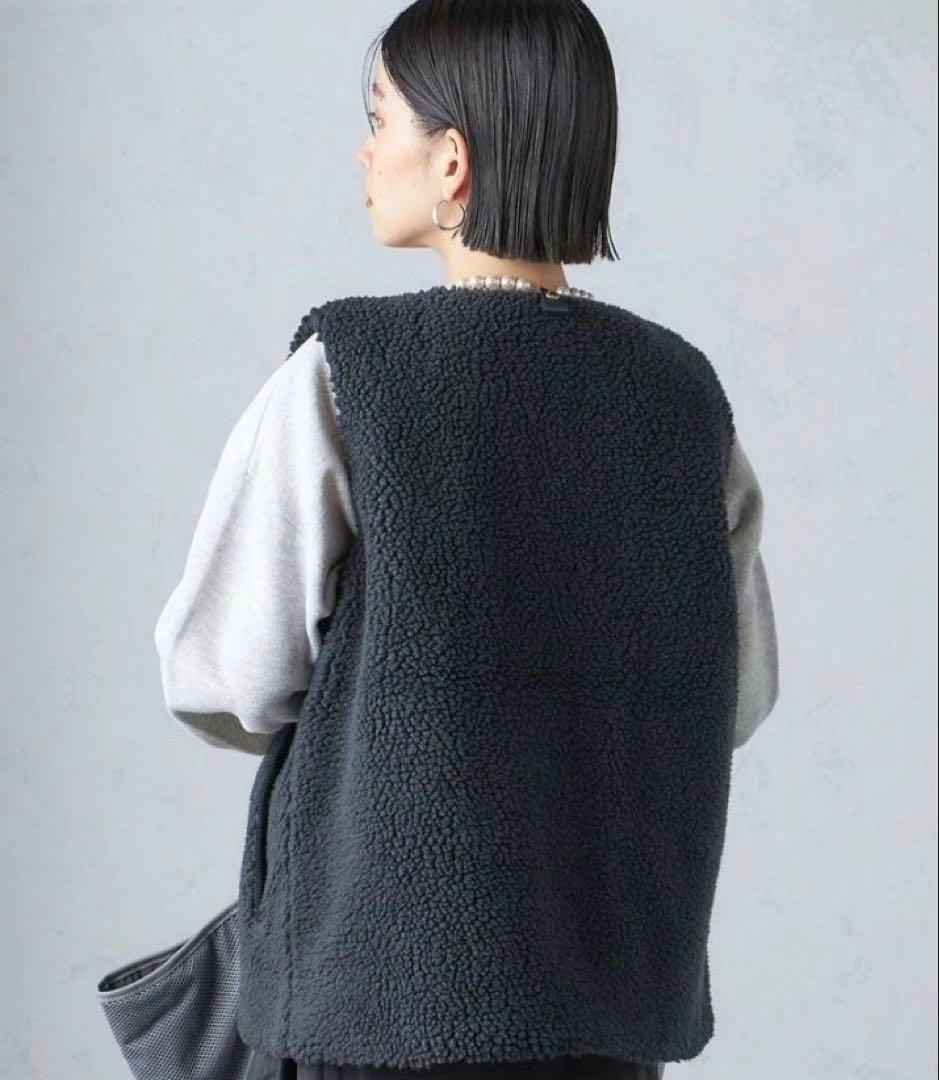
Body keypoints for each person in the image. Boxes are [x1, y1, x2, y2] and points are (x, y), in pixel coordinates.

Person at [154, 2, 780, 1078]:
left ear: (451, 160)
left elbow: (223, 675)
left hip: (381, 999)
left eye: (379, 119)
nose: (365, 150)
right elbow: (736, 695)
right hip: (607, 1008)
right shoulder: (686, 401)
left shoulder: (348, 375)